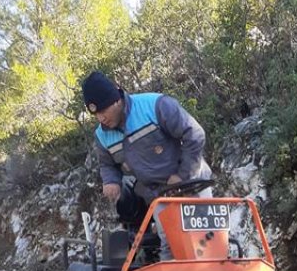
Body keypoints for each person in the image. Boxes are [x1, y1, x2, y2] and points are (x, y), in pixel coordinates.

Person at [81, 72, 212, 254]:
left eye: (103, 110)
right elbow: (107, 164)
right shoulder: (102, 136)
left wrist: (182, 175)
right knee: (171, 246)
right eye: (95, 114)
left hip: (192, 184)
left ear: (116, 99)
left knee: (206, 245)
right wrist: (111, 181)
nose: (100, 118)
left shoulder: (155, 106)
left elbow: (194, 134)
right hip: (159, 195)